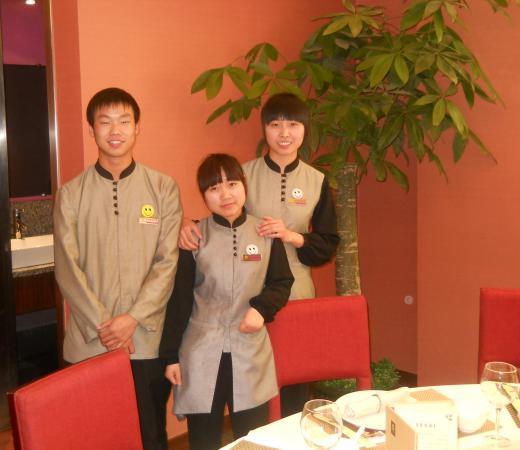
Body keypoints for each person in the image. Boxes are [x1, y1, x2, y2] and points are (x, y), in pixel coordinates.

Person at [179, 93, 340, 416]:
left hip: (297, 294)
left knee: (295, 385)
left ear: (304, 129)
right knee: (253, 391)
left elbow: (327, 243)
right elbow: (222, 223)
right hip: (248, 301)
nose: (284, 133)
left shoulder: (316, 180)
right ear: (264, 128)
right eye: (275, 125)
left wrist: (291, 236)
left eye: (293, 125)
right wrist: (185, 223)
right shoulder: (243, 175)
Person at [53, 87, 182, 450]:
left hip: (145, 339)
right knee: (91, 436)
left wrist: (132, 318)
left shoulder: (163, 188)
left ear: (137, 127)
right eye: (105, 122)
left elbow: (167, 261)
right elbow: (67, 268)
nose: (115, 131)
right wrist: (105, 325)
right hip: (89, 340)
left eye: (124, 121)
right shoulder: (71, 194)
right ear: (91, 129)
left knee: (149, 435)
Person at [160, 153, 294, 450]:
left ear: (243, 185)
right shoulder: (194, 237)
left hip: (249, 351)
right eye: (214, 188)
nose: (225, 195)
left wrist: (261, 309)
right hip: (201, 352)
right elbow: (179, 300)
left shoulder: (265, 233)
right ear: (204, 195)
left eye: (232, 184)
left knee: (252, 439)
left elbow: (282, 282)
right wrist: (170, 356)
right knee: (204, 441)